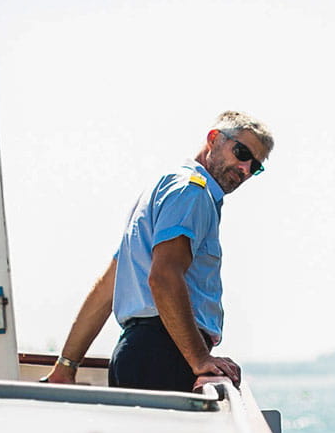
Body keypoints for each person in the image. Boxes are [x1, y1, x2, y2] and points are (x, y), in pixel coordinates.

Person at [46, 111, 274, 392]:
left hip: (135, 352)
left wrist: (66, 367)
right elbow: (164, 277)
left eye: (256, 167)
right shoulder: (192, 193)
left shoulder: (165, 187)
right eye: (241, 153)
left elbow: (109, 286)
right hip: (163, 354)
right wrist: (200, 358)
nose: (245, 169)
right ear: (214, 139)